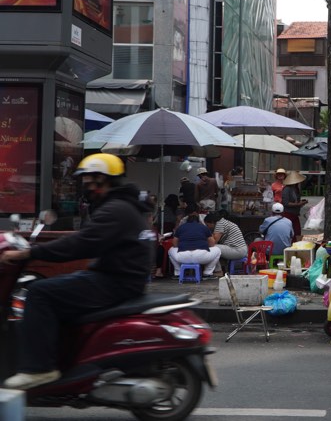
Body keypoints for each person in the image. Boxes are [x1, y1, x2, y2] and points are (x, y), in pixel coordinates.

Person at [0, 154, 153, 390]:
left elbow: (79, 244)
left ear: (102, 179)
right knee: (58, 287)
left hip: (114, 282)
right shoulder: (123, 206)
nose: (87, 184)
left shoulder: (115, 209)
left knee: (40, 292)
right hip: (117, 277)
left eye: (90, 179)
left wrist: (29, 253)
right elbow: (84, 241)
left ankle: (39, 368)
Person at [168, 205, 220, 277]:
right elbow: (212, 243)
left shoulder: (181, 227)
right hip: (201, 257)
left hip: (183, 257)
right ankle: (207, 272)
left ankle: (178, 272)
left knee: (171, 250)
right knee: (217, 250)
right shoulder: (204, 227)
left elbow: (174, 244)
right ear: (198, 221)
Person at [281, 171, 308, 241]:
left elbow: (296, 201)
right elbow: (286, 203)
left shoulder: (295, 189)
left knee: (297, 232)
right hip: (288, 214)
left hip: (295, 214)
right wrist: (298, 204)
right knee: (289, 231)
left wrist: (301, 203)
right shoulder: (287, 189)